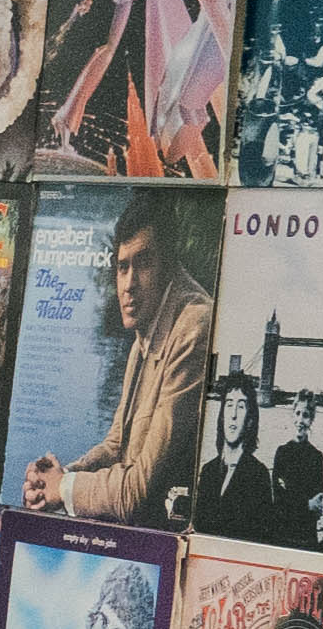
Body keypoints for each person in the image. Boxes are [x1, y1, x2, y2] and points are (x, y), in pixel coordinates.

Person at [30, 217, 214, 524]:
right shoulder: (146, 333)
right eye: (122, 267)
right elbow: (117, 445)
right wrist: (57, 478)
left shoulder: (193, 327)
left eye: (143, 264)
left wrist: (63, 488)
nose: (129, 284)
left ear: (168, 266)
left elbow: (137, 493)